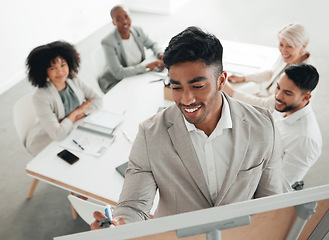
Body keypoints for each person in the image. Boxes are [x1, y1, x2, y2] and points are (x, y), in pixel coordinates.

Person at [91, 26, 282, 229]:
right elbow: (134, 206)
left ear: (221, 81)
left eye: (197, 86)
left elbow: (271, 203)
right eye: (176, 87)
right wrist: (121, 226)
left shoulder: (263, 125)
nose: (186, 99)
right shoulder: (150, 134)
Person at [25, 41, 102, 156]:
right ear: (43, 71)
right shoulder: (40, 96)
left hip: (72, 131)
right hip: (47, 143)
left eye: (62, 65)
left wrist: (71, 118)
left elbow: (98, 100)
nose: (60, 71)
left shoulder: (73, 79)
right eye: (53, 68)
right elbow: (58, 134)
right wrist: (76, 112)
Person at [223, 23, 312, 111]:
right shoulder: (290, 57)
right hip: (266, 98)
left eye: (290, 46)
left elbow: (266, 105)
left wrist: (232, 92)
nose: (283, 51)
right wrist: (244, 78)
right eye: (281, 45)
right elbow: (273, 73)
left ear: (303, 46)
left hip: (271, 111)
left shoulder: (302, 76)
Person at [272, 63, 322, 192]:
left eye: (287, 93)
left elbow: (280, 189)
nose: (278, 96)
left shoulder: (304, 139)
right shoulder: (286, 107)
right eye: (278, 87)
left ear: (306, 97)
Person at [98, 5, 164, 93]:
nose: (124, 21)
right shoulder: (108, 42)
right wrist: (146, 66)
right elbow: (118, 73)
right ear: (113, 22)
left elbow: (152, 44)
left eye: (126, 16)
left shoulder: (137, 30)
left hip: (135, 74)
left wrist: (159, 53)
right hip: (116, 81)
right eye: (119, 19)